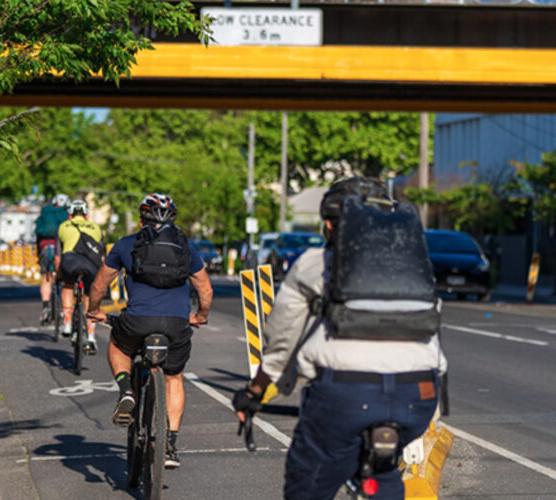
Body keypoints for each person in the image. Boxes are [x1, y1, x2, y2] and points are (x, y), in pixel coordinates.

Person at [232, 177, 447, 500]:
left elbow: (281, 344)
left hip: (346, 396)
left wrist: (256, 391)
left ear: (330, 225)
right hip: (418, 396)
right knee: (384, 471)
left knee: (309, 479)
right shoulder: (419, 269)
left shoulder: (315, 265)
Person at [87, 193, 213, 470]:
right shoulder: (186, 247)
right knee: (174, 378)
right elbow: (205, 289)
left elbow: (98, 285)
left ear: (142, 217)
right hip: (176, 325)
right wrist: (199, 316)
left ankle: (125, 391)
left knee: (118, 344)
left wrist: (95, 309)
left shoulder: (126, 245)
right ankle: (169, 446)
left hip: (137, 322)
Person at [54, 199, 105, 354]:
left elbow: (57, 257)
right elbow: (102, 257)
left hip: (70, 261)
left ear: (70, 215)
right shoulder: (96, 228)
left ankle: (68, 323)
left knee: (68, 285)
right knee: (90, 296)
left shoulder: (63, 226)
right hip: (91, 265)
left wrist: (59, 275)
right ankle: (91, 337)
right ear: (86, 215)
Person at [35, 194, 69, 323]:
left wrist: (38, 253)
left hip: (46, 247)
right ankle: (64, 308)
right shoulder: (66, 214)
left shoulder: (45, 213)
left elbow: (38, 233)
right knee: (66, 279)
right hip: (62, 249)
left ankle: (45, 308)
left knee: (46, 278)